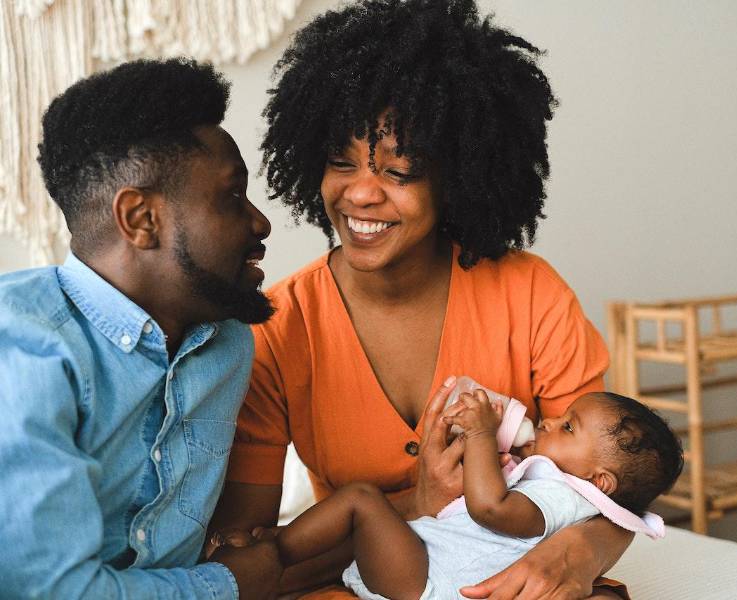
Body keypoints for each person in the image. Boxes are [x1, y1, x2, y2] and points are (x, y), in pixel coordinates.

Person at [213, 0, 633, 597]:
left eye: (399, 172)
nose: (360, 194)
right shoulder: (278, 329)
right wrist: (419, 504)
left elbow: (611, 483)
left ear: (458, 176)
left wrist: (575, 554)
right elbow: (247, 558)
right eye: (340, 163)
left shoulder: (531, 293)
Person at [0, 58, 281, 599]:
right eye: (231, 195)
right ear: (140, 219)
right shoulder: (25, 350)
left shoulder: (226, 345)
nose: (260, 222)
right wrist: (225, 586)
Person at [210, 390, 683, 600]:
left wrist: (480, 434)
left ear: (600, 481)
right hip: (428, 569)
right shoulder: (560, 486)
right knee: (363, 516)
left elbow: (490, 507)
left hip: (428, 580)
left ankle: (274, 548)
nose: (549, 421)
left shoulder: (565, 496)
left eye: (568, 427)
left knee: (360, 500)